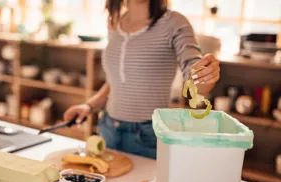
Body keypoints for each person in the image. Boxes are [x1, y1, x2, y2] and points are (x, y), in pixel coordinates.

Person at [63, 0, 220, 159]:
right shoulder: (115, 22)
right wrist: (89, 106)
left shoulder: (174, 23)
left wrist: (204, 75)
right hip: (108, 129)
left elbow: (193, 70)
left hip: (147, 137)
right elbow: (115, 81)